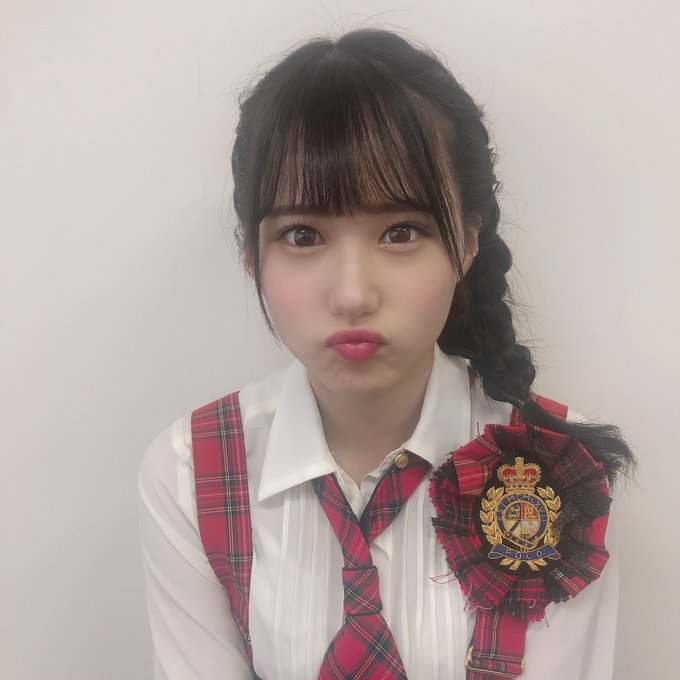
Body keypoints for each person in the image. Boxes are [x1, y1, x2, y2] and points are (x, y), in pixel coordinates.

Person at [138, 28, 634, 680]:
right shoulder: (191, 474)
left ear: (468, 241)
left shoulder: (558, 469)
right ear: (251, 254)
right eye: (302, 235)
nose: (352, 294)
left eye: (401, 232)